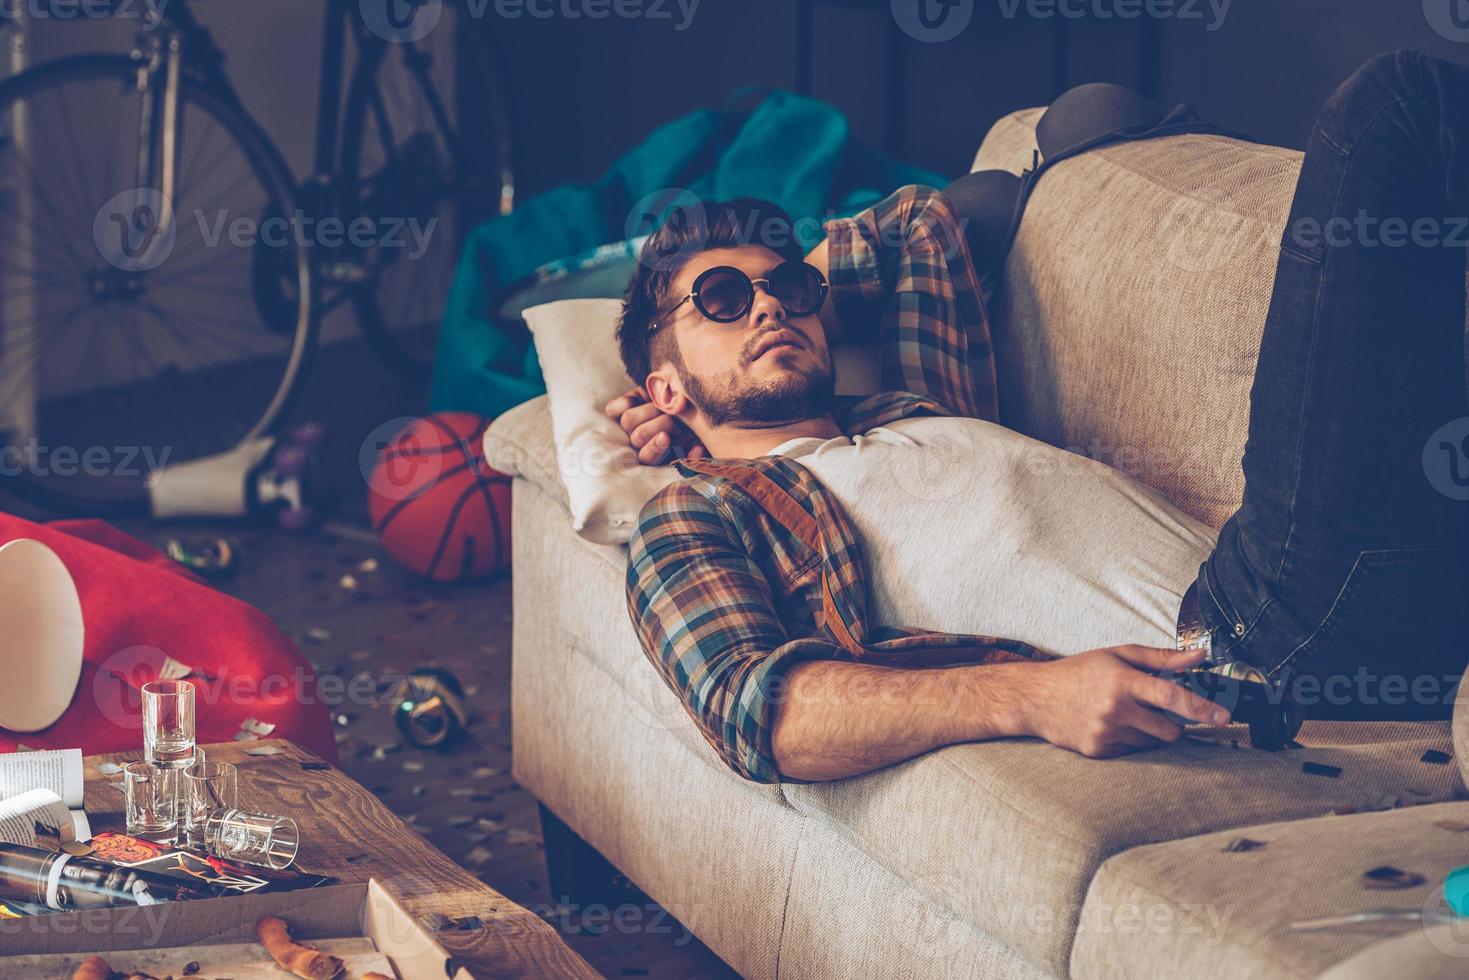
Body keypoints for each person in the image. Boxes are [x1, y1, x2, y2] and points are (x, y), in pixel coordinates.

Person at [606, 50, 1469, 784]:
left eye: (786, 289)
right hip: (1254, 639)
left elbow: (919, 223)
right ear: (665, 387)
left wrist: (784, 286)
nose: (765, 307)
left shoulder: (917, 404)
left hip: (1347, 580)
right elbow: (748, 707)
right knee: (1389, 109)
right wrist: (1035, 695)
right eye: (719, 300)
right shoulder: (698, 512)